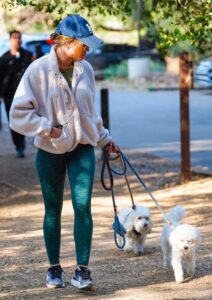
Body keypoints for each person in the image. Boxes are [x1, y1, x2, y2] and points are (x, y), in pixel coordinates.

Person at [9, 14, 118, 291]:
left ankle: (82, 271)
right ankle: (53, 268)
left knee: (83, 208)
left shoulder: (87, 70)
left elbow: (91, 115)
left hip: (82, 148)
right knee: (52, 210)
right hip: (49, 150)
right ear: (67, 43)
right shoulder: (37, 71)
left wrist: (105, 140)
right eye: (84, 45)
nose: (88, 50)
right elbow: (17, 115)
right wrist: (47, 128)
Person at [0, 30, 33, 158]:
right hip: (9, 96)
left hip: (25, 94)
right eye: (14, 37)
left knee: (24, 119)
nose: (17, 40)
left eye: (19, 37)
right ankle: (18, 145)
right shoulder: (4, 58)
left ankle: (22, 142)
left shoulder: (28, 55)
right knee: (12, 121)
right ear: (10, 40)